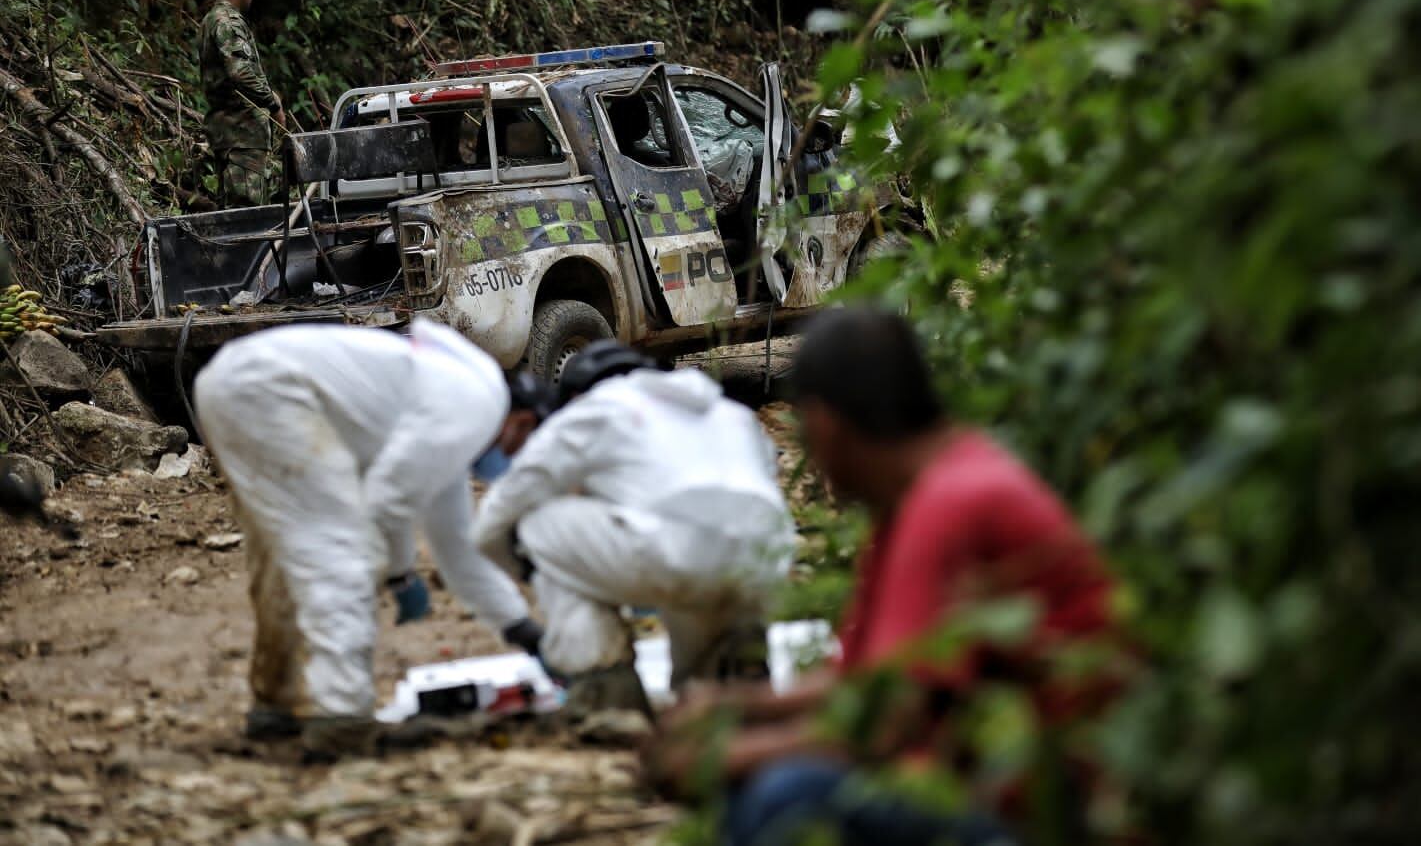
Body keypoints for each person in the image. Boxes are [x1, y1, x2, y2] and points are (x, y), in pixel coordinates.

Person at [645, 309, 1119, 846]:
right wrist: (730, 708)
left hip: (1056, 812)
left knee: (786, 794)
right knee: (766, 783)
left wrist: (721, 755)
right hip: (1000, 780)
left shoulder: (950, 503)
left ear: (825, 425)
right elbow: (861, 683)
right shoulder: (923, 493)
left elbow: (885, 725)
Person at [193, 319, 552, 758]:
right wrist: (399, 572)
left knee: (287, 551)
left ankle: (278, 703)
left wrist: (522, 629)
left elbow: (458, 549)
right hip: (272, 392)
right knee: (338, 553)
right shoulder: (474, 410)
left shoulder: (460, 414)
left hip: (235, 381)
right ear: (521, 423)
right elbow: (387, 502)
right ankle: (342, 721)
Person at [473, 341, 795, 712]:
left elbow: (497, 515)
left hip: (672, 556)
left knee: (535, 523)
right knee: (700, 598)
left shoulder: (597, 408)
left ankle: (606, 689)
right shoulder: (728, 412)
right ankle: (735, 681)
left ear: (577, 395)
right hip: (765, 565)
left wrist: (535, 570)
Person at [199, 0, 284, 208]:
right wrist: (272, 103)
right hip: (242, 135)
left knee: (236, 210)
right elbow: (241, 73)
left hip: (231, 133)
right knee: (248, 212)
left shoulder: (212, 19)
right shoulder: (228, 22)